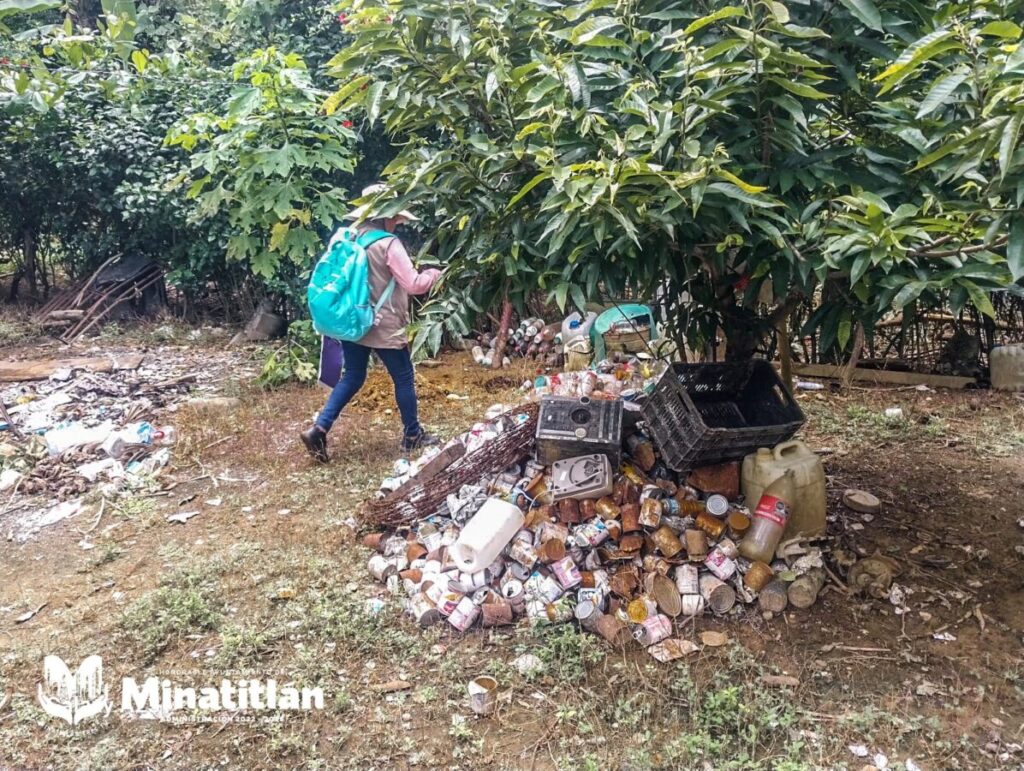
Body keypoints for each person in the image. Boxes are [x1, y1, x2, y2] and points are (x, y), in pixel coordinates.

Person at [300, 185, 442, 463]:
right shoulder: (389, 244)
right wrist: (434, 274)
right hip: (385, 324)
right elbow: (414, 285)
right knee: (403, 377)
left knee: (352, 375)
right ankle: (413, 435)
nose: (397, 225)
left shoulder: (350, 237)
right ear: (387, 215)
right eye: (396, 219)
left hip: (355, 322)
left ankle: (319, 428)